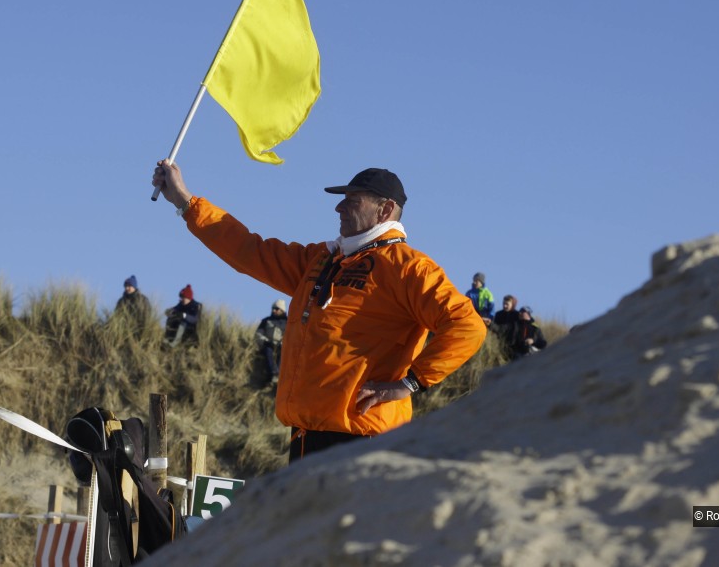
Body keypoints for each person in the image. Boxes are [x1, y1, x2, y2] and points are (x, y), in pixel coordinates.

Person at [152, 162, 486, 462]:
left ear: (384, 210)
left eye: (352, 201)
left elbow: (467, 326)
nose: (339, 207)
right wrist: (185, 202)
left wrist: (410, 383)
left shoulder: (409, 268)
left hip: (363, 442)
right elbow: (248, 251)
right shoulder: (322, 260)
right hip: (305, 438)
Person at [254, 299, 288, 386]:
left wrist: (283, 343)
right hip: (268, 344)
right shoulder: (266, 321)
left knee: (283, 353)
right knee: (268, 351)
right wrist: (266, 341)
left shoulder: (289, 322)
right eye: (273, 308)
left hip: (282, 346)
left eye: (276, 309)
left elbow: (292, 336)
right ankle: (274, 374)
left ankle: (279, 376)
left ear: (282, 310)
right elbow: (258, 334)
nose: (274, 310)